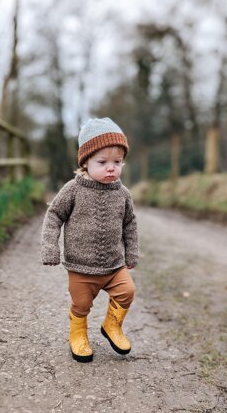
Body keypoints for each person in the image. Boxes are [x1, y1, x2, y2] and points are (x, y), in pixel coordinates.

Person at [41, 117, 139, 363]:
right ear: (85, 162)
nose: (111, 168)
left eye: (117, 162)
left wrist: (131, 254)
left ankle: (112, 326)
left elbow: (130, 224)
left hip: (114, 266)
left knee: (127, 291)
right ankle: (78, 333)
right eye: (102, 162)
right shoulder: (73, 190)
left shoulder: (123, 194)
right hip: (81, 267)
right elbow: (54, 216)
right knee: (81, 303)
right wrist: (50, 248)